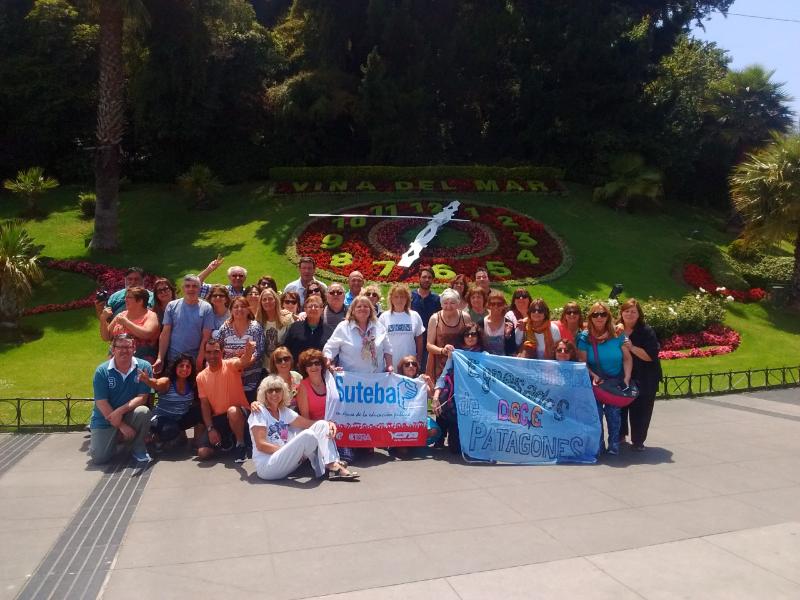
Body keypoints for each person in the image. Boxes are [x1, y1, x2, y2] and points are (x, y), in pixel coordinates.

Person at [248, 376, 357, 481]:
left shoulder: (284, 411)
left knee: (322, 425)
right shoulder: (259, 412)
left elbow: (308, 424)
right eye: (270, 390)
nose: (274, 393)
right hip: (268, 466)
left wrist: (329, 423)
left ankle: (332, 464)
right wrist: (291, 451)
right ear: (264, 393)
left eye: (277, 390)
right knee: (307, 435)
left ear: (283, 392)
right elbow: (261, 445)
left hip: (285, 461)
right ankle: (325, 464)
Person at [576, 301, 632, 456]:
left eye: (603, 314)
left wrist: (627, 377)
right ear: (590, 317)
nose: (599, 317)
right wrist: (593, 375)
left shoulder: (617, 334)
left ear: (608, 316)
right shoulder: (584, 337)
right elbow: (582, 361)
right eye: (595, 314)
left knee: (614, 414)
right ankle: (598, 444)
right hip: (594, 382)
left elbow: (627, 358)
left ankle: (614, 444)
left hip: (614, 381)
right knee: (596, 414)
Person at [89, 334, 153, 465]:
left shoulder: (144, 367)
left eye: (128, 347)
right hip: (105, 418)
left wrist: (120, 411)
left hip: (128, 414)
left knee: (143, 411)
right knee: (99, 458)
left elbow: (142, 398)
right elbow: (101, 402)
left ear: (134, 348)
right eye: (120, 347)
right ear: (113, 349)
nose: (124, 350)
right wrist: (121, 425)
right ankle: (117, 441)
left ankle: (138, 447)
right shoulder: (101, 371)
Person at [196, 338, 255, 462]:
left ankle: (240, 445)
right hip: (220, 418)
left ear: (222, 352)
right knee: (203, 453)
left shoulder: (230, 364)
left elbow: (244, 361)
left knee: (232, 411)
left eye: (216, 352)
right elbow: (205, 405)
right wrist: (210, 429)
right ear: (205, 353)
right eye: (209, 352)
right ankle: (228, 440)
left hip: (240, 414)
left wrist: (249, 351)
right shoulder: (200, 377)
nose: (212, 356)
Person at [617, 298, 662, 451]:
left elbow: (650, 356)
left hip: (645, 376)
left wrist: (632, 347)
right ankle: (620, 435)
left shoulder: (646, 331)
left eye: (633, 312)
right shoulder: (616, 329)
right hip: (621, 374)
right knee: (619, 406)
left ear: (639, 314)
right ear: (621, 313)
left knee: (641, 409)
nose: (629, 314)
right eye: (627, 311)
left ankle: (638, 441)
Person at [432, 324, 483, 453]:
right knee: (453, 448)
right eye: (467, 335)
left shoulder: (484, 355)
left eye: (473, 334)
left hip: (472, 402)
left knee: (456, 449)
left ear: (478, 337)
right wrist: (436, 397)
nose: (470, 337)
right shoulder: (456, 355)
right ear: (463, 338)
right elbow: (443, 377)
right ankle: (441, 435)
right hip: (453, 399)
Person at [154, 274, 214, 374]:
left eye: (194, 286)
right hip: (173, 357)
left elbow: (206, 337)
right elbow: (165, 334)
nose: (191, 289)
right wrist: (160, 358)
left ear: (199, 288)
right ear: (183, 288)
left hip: (194, 358)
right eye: (187, 286)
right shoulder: (172, 306)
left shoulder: (206, 308)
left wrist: (200, 359)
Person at [138, 353, 202, 446]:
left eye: (188, 366)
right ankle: (155, 439)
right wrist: (148, 380)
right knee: (171, 429)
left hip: (179, 418)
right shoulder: (167, 382)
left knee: (199, 411)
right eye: (181, 366)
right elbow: (156, 383)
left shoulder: (192, 383)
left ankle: (193, 442)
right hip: (161, 419)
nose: (184, 369)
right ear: (175, 367)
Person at [324, 295, 393, 373]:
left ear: (370, 310)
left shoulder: (379, 326)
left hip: (377, 376)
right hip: (351, 377)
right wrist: (328, 360)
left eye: (366, 306)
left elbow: (387, 348)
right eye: (359, 306)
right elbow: (330, 347)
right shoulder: (343, 327)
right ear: (353, 310)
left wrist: (389, 365)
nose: (362, 308)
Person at [216, 297, 266, 402]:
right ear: (231, 310)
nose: (239, 309)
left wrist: (244, 363)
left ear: (248, 309)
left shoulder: (255, 328)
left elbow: (259, 351)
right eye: (236, 307)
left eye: (243, 306)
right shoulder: (225, 328)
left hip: (251, 380)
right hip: (229, 378)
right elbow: (217, 348)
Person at [100, 286, 160, 363]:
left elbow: (147, 333)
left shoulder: (150, 315)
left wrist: (126, 322)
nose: (125, 300)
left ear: (140, 301)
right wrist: (103, 319)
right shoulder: (121, 315)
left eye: (129, 297)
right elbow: (106, 337)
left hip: (140, 361)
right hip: (116, 361)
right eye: (126, 297)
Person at [426, 288, 472, 380]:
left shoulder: (465, 317)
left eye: (452, 303)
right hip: (439, 364)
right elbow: (429, 345)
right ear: (441, 304)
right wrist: (442, 350)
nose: (449, 306)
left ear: (458, 303)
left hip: (459, 363)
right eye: (445, 303)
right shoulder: (435, 318)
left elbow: (470, 339)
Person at [379, 283, 425, 363]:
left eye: (402, 297)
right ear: (391, 299)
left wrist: (419, 359)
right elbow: (379, 341)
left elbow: (419, 339)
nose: (399, 300)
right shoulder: (384, 317)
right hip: (390, 363)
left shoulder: (414, 315)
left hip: (409, 364)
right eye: (396, 297)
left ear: (407, 299)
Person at [284, 295, 334, 362]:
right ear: (305, 309)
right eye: (310, 306)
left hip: (320, 368)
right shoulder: (295, 327)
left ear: (322, 309)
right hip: (297, 367)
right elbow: (286, 349)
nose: (313, 308)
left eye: (316, 306)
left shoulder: (329, 331)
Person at [410, 266, 440, 371]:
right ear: (419, 278)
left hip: (429, 340)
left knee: (426, 370)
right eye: (424, 277)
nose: (427, 279)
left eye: (429, 277)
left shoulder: (436, 299)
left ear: (432, 280)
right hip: (412, 340)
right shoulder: (410, 297)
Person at [255, 287, 294, 364]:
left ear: (275, 300)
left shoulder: (288, 319)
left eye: (270, 299)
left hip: (283, 364)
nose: (267, 301)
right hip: (264, 366)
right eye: (264, 299)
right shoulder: (257, 322)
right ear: (261, 303)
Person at [475, 290, 514, 356]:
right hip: (485, 359)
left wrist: (507, 335)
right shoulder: (481, 324)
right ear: (488, 305)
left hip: (502, 359)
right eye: (492, 304)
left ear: (504, 305)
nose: (496, 306)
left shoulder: (509, 324)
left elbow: (512, 349)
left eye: (499, 304)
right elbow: (476, 345)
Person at [295, 349, 328, 421]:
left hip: (337, 423)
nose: (313, 366)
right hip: (316, 426)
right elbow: (305, 419)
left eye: (317, 363)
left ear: (322, 366)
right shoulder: (303, 387)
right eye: (309, 364)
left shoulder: (329, 381)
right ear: (305, 369)